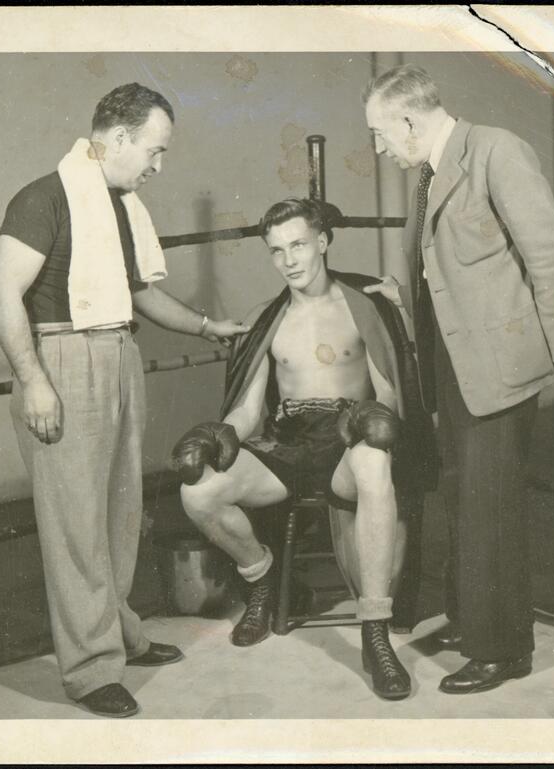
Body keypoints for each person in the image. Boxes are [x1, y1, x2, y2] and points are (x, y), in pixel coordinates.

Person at [0, 82, 250, 718]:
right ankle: (88, 670)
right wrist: (35, 382)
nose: (158, 166)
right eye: (154, 150)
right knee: (77, 524)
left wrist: (205, 326)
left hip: (119, 354)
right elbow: (3, 297)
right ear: (120, 138)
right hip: (63, 359)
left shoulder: (118, 205)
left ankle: (122, 636)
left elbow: (139, 294)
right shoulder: (43, 198)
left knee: (119, 511)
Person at [362, 64, 554, 694]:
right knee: (464, 499)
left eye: (381, 134)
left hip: (499, 366)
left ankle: (501, 649)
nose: (379, 149)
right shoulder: (430, 174)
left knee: (490, 507)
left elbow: (550, 252)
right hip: (452, 367)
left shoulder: (495, 151)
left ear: (409, 121)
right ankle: (469, 620)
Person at [171, 198, 435, 701]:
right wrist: (220, 434)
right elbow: (248, 411)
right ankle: (264, 580)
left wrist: (371, 418)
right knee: (199, 492)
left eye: (297, 245)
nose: (289, 260)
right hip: (287, 443)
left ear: (322, 242)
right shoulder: (269, 319)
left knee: (375, 463)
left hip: (347, 440)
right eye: (276, 251)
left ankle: (374, 634)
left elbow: (389, 393)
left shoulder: (362, 305)